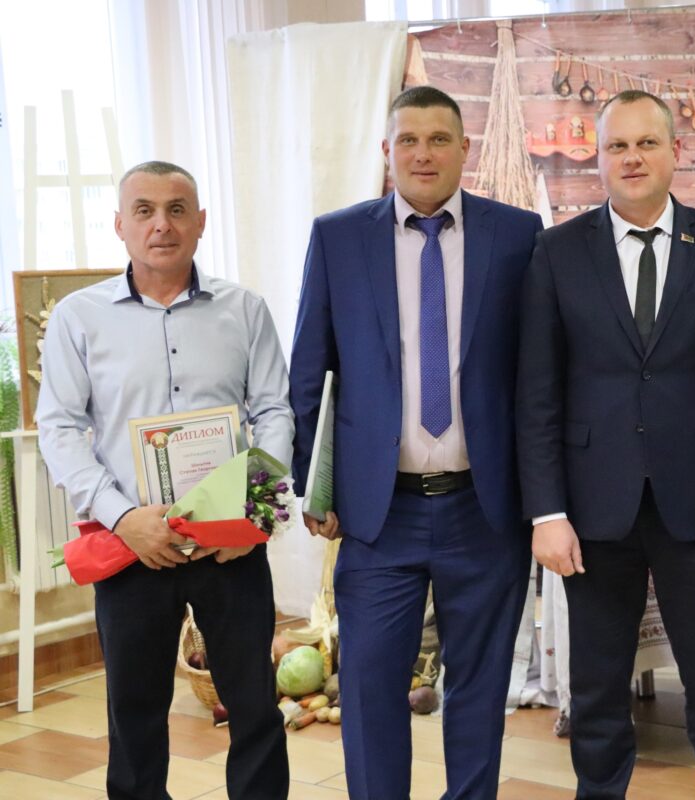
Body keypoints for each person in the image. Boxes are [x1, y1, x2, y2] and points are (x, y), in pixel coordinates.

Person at [289, 85, 543, 799]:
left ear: (465, 149)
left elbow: (539, 376)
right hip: (379, 514)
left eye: (438, 139)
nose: (423, 154)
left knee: (479, 691)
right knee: (369, 689)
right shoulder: (339, 237)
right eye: (408, 139)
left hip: (484, 509)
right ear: (387, 151)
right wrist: (316, 487)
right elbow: (309, 372)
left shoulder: (518, 235)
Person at [517, 90, 695, 799]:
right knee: (597, 688)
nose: (632, 158)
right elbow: (537, 394)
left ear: (675, 152)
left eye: (646, 143)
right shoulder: (557, 251)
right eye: (617, 146)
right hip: (593, 508)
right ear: (598, 159)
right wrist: (546, 512)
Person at [36, 161, 292, 799]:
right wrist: (124, 517)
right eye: (144, 211)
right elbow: (59, 428)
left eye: (177, 210)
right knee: (134, 713)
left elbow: (274, 412)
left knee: (254, 704)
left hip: (229, 544)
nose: (162, 225)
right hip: (132, 546)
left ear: (200, 222)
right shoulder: (78, 317)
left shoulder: (245, 309)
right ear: (119, 224)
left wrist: (253, 516)